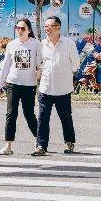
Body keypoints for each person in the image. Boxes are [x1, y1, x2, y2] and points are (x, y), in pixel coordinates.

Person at [33, 15, 80, 156]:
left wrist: (64, 72)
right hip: (46, 88)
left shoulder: (69, 44)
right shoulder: (41, 45)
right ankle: (41, 146)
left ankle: (69, 142)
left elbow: (75, 63)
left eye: (50, 26)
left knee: (65, 117)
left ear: (58, 28)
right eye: (45, 26)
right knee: (42, 118)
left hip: (63, 89)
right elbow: (39, 63)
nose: (47, 29)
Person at [0, 17, 42, 156]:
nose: (20, 30)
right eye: (18, 28)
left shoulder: (36, 44)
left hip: (29, 85)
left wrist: (40, 71)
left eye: (23, 28)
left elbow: (40, 63)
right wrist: (0, 83)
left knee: (29, 115)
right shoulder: (11, 45)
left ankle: (39, 142)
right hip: (12, 83)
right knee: (11, 114)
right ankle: (8, 146)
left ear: (29, 30)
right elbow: (6, 66)